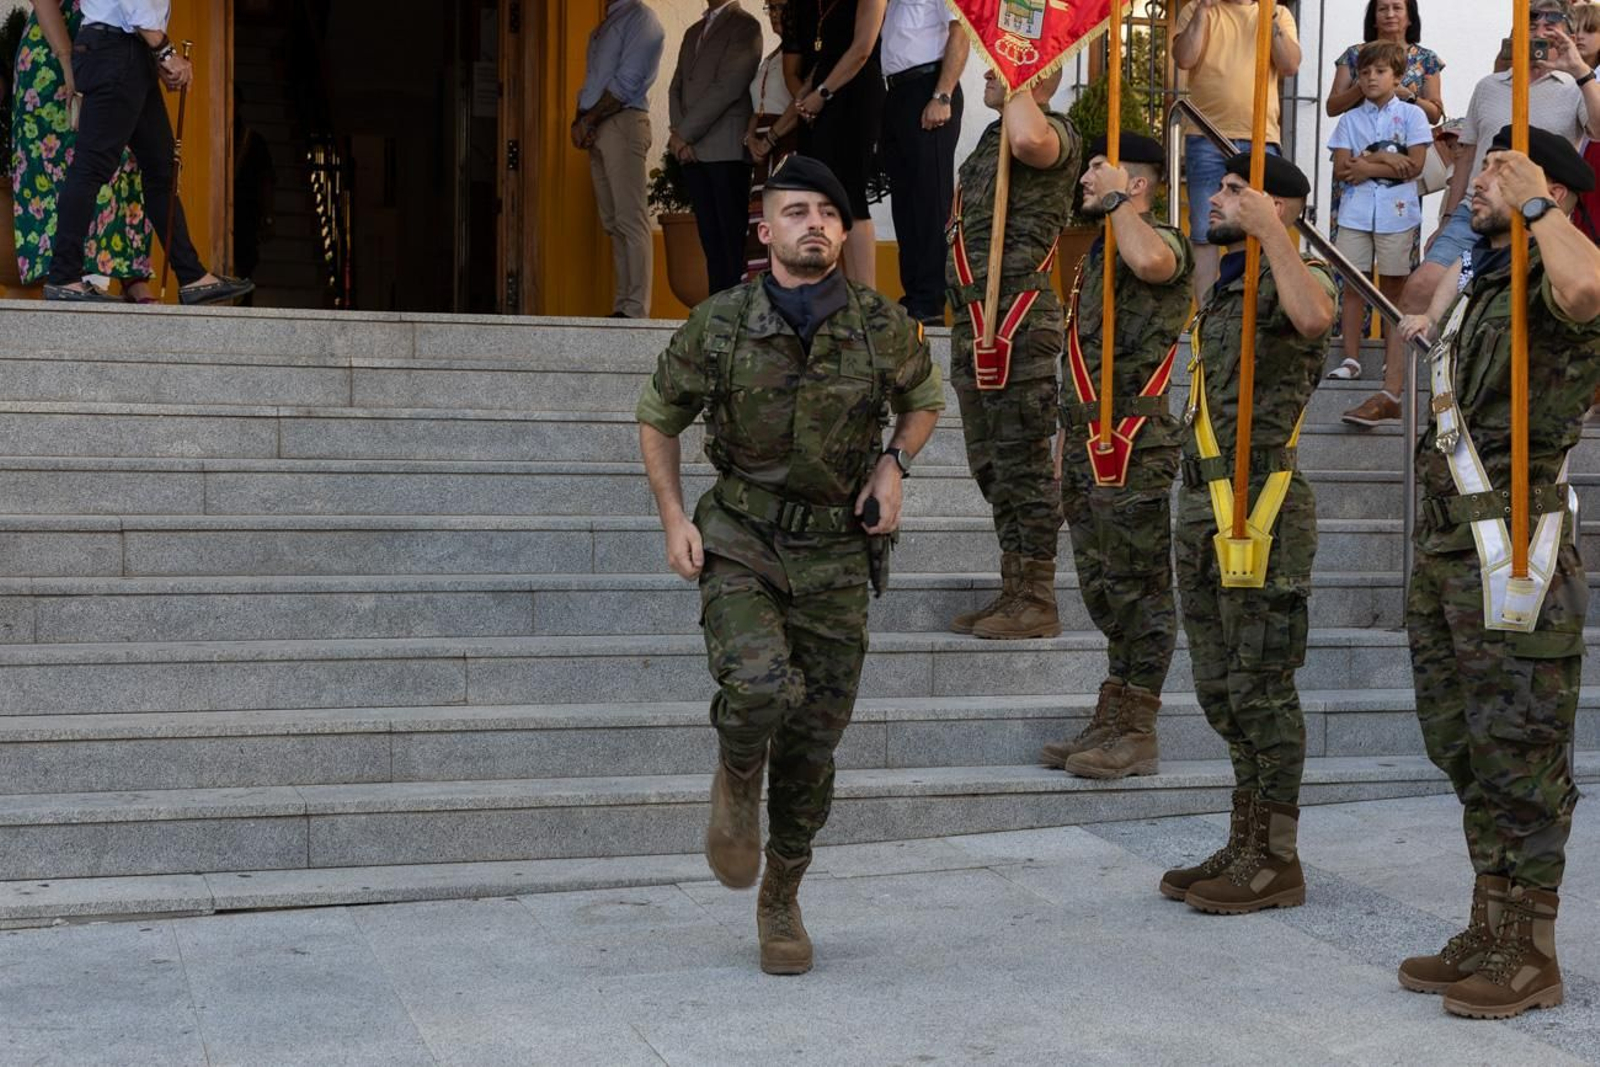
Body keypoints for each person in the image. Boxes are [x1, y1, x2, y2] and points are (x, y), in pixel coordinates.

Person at [636, 155, 943, 976]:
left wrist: (893, 467)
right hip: (741, 536)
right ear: (765, 231)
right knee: (760, 685)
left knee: (813, 743)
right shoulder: (721, 322)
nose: (814, 223)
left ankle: (782, 895)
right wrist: (673, 518)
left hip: (839, 552)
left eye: (828, 213)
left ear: (844, 232)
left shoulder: (883, 327)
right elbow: (658, 417)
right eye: (796, 211)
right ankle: (737, 770)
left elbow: (923, 400)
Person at [1395, 127, 1600, 1020]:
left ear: (1546, 184)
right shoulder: (1483, 284)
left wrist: (1538, 202)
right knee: (1464, 745)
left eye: (1500, 169)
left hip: (1515, 555)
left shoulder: (1554, 274)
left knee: (1521, 755)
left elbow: (1591, 286)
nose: (1479, 181)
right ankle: (1489, 918)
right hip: (1449, 554)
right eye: (1484, 169)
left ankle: (1532, 948)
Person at [1158, 154, 1337, 915]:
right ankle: (1245, 835)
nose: (1220, 197)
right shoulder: (1224, 292)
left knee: (1262, 685)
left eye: (1240, 191)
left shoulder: (1293, 275)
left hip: (1260, 504)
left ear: (1285, 207)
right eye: (1222, 187)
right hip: (1203, 501)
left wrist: (1275, 234)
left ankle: (1277, 857)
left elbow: (1317, 318)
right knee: (1218, 683)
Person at [1038, 133, 1193, 779]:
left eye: (1097, 171)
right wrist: (1060, 450)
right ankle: (1113, 706)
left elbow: (1155, 263)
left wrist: (1115, 203)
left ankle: (1138, 727)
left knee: (1140, 586)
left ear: (1137, 184)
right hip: (1085, 435)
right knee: (1102, 585)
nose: (1083, 181)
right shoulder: (1098, 250)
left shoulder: (1160, 237)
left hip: (1134, 441)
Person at [1396, 0, 1600, 387]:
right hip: (1478, 210)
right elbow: (1469, 153)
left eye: (1551, 18)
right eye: (1531, 17)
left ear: (1566, 29)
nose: (1540, 26)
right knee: (1422, 285)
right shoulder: (1488, 86)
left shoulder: (1576, 85)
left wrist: (1579, 69)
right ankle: (1400, 392)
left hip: (1538, 213)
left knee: (1534, 313)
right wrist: (1445, 217)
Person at [945, 67, 1080, 641]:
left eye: (997, 64)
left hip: (1018, 317)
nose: (985, 71)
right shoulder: (987, 139)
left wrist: (1020, 75)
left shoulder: (1057, 131)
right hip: (975, 316)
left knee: (1023, 462)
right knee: (991, 463)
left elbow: (1030, 142)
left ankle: (1038, 597)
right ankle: (1013, 583)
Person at [40, 1, 251, 304]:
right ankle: (63, 276)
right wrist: (165, 53)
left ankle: (192, 276)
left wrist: (156, 56)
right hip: (116, 48)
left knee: (162, 170)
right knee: (91, 167)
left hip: (127, 51)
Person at [11, 0, 155, 301]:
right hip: (56, 56)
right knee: (63, 167)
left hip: (117, 52)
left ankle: (131, 271)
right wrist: (68, 64)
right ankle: (70, 275)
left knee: (127, 160)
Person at [1326, 41, 1432, 426]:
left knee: (1393, 291)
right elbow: (1342, 169)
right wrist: (1386, 157)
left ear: (1398, 77)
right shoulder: (1350, 120)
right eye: (1365, 72)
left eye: (1380, 71)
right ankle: (1351, 358)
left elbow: (1415, 166)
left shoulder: (1413, 116)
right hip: (1355, 213)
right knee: (1353, 284)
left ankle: (1392, 358)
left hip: (1397, 214)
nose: (1371, 78)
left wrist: (1366, 163)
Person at [1173, 0, 1302, 302]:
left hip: (1261, 138)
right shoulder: (1196, 8)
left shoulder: (1278, 13)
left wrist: (1269, 17)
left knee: (1262, 225)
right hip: (1205, 135)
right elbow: (1184, 59)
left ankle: (1254, 307)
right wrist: (1203, 11)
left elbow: (1290, 65)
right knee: (1205, 228)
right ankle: (1206, 318)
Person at [754, 0, 887, 285]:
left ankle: (866, 298)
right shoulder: (810, 5)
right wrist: (805, 96)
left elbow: (861, 50)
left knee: (850, 196)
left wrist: (821, 93)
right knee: (821, 197)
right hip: (820, 102)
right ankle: (831, 293)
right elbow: (821, 58)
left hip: (855, 95)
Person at [573, 0, 666, 319]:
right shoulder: (606, 23)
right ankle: (623, 305)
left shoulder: (642, 18)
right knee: (612, 222)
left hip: (623, 121)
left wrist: (589, 119)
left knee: (629, 217)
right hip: (599, 124)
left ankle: (636, 309)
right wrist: (580, 120)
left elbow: (628, 80)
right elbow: (593, 80)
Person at [878, 0, 966, 325]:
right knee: (905, 203)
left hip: (928, 87)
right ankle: (913, 295)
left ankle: (929, 303)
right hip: (898, 92)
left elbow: (961, 32)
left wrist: (942, 94)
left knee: (930, 200)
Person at [669, 0, 763, 295]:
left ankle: (734, 309)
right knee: (709, 239)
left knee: (730, 238)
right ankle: (715, 309)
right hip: (692, 152)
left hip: (725, 148)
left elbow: (729, 85)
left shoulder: (746, 26)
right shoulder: (693, 30)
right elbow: (676, 86)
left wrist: (685, 133)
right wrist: (679, 136)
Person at [741, 0, 799, 280]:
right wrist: (751, 137)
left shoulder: (800, 53)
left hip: (786, 142)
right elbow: (758, 105)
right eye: (771, 8)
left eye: (781, 7)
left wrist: (771, 138)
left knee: (783, 217)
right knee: (761, 219)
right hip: (761, 147)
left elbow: (801, 102)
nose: (776, 14)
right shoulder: (772, 55)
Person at [1324, 0, 1445, 127]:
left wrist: (1409, 96)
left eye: (1397, 8)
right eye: (1382, 9)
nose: (1390, 14)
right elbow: (1332, 108)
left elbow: (1435, 116)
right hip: (1360, 138)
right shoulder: (1354, 55)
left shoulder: (1427, 59)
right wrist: (1362, 87)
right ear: (1374, 19)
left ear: (1410, 18)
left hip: (1407, 141)